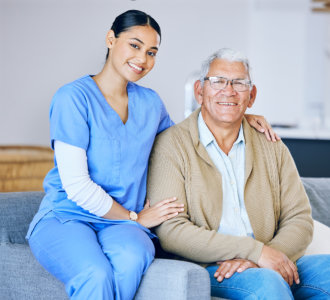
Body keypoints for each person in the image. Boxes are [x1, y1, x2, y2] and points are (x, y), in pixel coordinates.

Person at [27, 10, 278, 300]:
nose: (143, 59)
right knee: (95, 274)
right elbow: (77, 187)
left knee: (133, 260)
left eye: (151, 52)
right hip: (69, 216)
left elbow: (186, 140)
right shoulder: (72, 98)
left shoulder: (150, 103)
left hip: (121, 226)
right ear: (111, 39)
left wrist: (239, 116)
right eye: (135, 46)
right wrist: (134, 217)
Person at [147, 48, 330, 299]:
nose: (229, 90)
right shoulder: (172, 145)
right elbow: (172, 231)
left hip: (270, 258)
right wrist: (255, 252)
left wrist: (266, 256)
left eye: (239, 83)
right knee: (267, 284)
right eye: (218, 81)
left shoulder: (271, 145)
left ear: (251, 96)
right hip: (211, 266)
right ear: (200, 91)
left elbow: (299, 219)